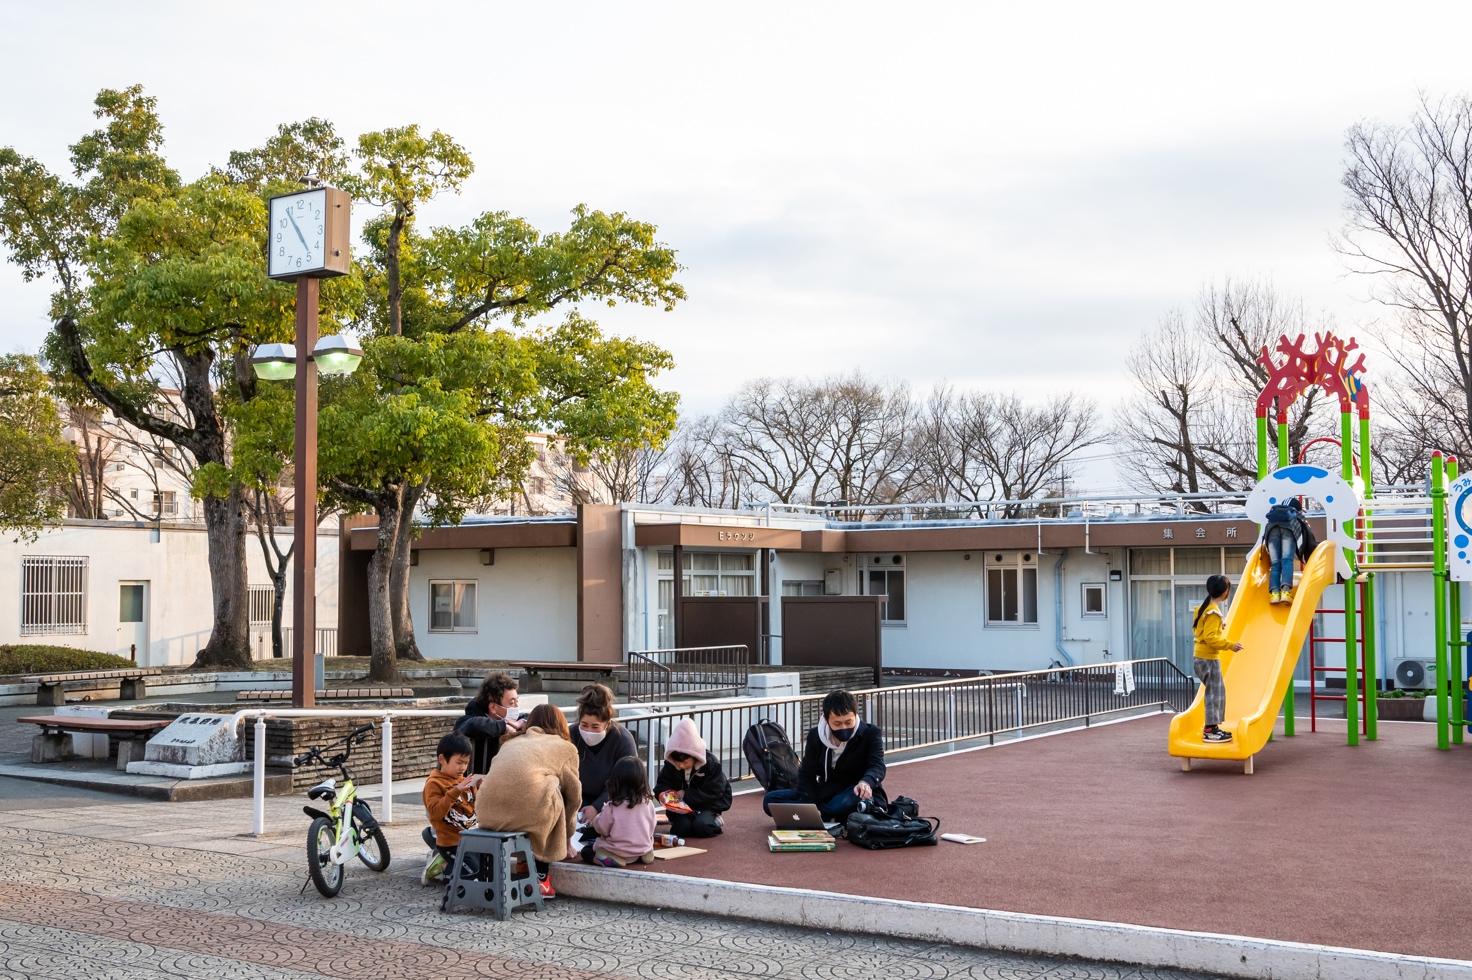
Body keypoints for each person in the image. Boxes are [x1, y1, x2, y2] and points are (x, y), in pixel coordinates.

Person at [475, 702, 581, 900]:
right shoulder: (566, 748)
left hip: (486, 813)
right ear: (561, 724)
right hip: (528, 815)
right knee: (553, 792)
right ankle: (541, 877)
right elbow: (573, 797)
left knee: (535, 792)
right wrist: (568, 837)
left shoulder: (510, 743)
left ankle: (516, 870)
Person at [762, 690, 886, 824]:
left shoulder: (871, 733)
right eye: (837, 724)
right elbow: (806, 773)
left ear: (855, 715)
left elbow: (877, 765)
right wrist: (808, 800)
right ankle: (823, 814)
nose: (844, 727)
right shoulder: (816, 736)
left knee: (844, 801)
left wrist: (866, 781)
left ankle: (818, 814)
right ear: (826, 720)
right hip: (825, 791)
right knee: (770, 800)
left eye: (849, 722)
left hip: (856, 790)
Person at [653, 718, 731, 838]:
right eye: (677, 761)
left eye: (684, 761)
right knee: (680, 830)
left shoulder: (711, 764)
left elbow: (714, 791)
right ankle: (692, 821)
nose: (680, 765)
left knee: (702, 827)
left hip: (706, 805)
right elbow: (662, 784)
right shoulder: (671, 764)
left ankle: (714, 820)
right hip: (682, 808)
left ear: (694, 755)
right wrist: (663, 794)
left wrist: (684, 794)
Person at [420, 732, 481, 885]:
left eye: (466, 763)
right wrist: (456, 791)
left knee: (485, 869)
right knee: (471, 875)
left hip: (471, 838)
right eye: (459, 762)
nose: (463, 768)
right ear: (442, 759)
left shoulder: (464, 780)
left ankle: (446, 867)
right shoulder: (434, 783)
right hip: (450, 844)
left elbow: (475, 807)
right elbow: (435, 814)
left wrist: (480, 788)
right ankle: (441, 867)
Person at [580, 756, 657, 868]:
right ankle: (646, 853)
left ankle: (607, 859)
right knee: (647, 842)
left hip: (617, 851)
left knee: (586, 851)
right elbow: (652, 826)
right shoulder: (648, 804)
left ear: (615, 782)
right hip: (641, 849)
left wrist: (595, 820)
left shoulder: (612, 806)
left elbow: (602, 829)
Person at [570, 683, 639, 809]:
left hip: (613, 803)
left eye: (595, 727)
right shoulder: (572, 734)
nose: (589, 731)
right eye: (584, 725)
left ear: (607, 724)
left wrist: (597, 807)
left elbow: (626, 781)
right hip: (576, 802)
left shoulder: (623, 740)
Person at [1192, 573, 1242, 743]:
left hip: (1200, 657)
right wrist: (1230, 645)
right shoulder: (1213, 611)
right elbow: (1211, 638)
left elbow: (1202, 630)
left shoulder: (1204, 608)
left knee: (1215, 692)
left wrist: (1220, 624)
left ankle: (1212, 727)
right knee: (1215, 694)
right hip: (1208, 659)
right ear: (1225, 592)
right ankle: (1210, 729)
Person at [455, 670, 525, 774]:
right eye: (511, 702)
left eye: (516, 701)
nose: (516, 707)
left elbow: (528, 717)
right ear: (493, 707)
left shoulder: (514, 719)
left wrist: (524, 722)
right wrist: (504, 727)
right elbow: (474, 725)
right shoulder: (467, 720)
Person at [1263, 497, 1317, 605]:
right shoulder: (1295, 515)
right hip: (1288, 530)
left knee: (1275, 564)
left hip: (1271, 530)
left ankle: (1274, 594)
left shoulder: (1275, 515)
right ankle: (1285, 592)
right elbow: (1307, 533)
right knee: (1287, 560)